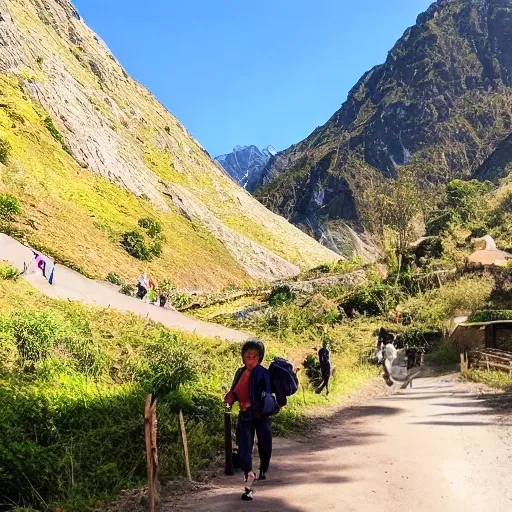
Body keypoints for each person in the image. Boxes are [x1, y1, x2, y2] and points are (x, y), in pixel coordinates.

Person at [224, 340, 273, 501]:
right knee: (244, 449)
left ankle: (264, 469)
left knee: (265, 444)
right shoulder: (240, 372)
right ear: (243, 358)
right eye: (248, 356)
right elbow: (234, 391)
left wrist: (260, 408)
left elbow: (267, 393)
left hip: (260, 416)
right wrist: (229, 399)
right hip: (245, 416)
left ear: (259, 359)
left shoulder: (262, 373)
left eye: (254, 356)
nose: (251, 359)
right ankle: (248, 476)